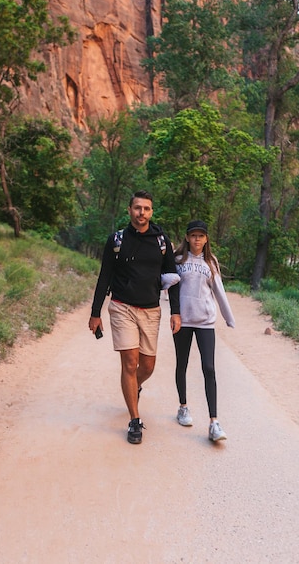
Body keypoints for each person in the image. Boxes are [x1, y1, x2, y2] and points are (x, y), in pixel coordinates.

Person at [88, 190, 181, 444]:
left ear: (152, 212)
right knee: (130, 363)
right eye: (138, 208)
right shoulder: (116, 240)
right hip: (122, 307)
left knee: (147, 366)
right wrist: (95, 312)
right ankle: (134, 420)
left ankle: (133, 387)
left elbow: (172, 278)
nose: (142, 213)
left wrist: (176, 311)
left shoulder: (161, 241)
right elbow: (104, 276)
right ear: (129, 210)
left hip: (151, 310)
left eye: (147, 209)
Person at [173, 220, 235, 442]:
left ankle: (214, 422)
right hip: (183, 321)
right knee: (182, 364)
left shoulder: (211, 262)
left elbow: (219, 290)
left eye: (201, 236)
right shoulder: (178, 260)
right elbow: (169, 285)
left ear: (206, 239)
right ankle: (183, 408)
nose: (197, 239)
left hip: (205, 322)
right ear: (187, 238)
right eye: (193, 236)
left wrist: (229, 318)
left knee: (209, 368)